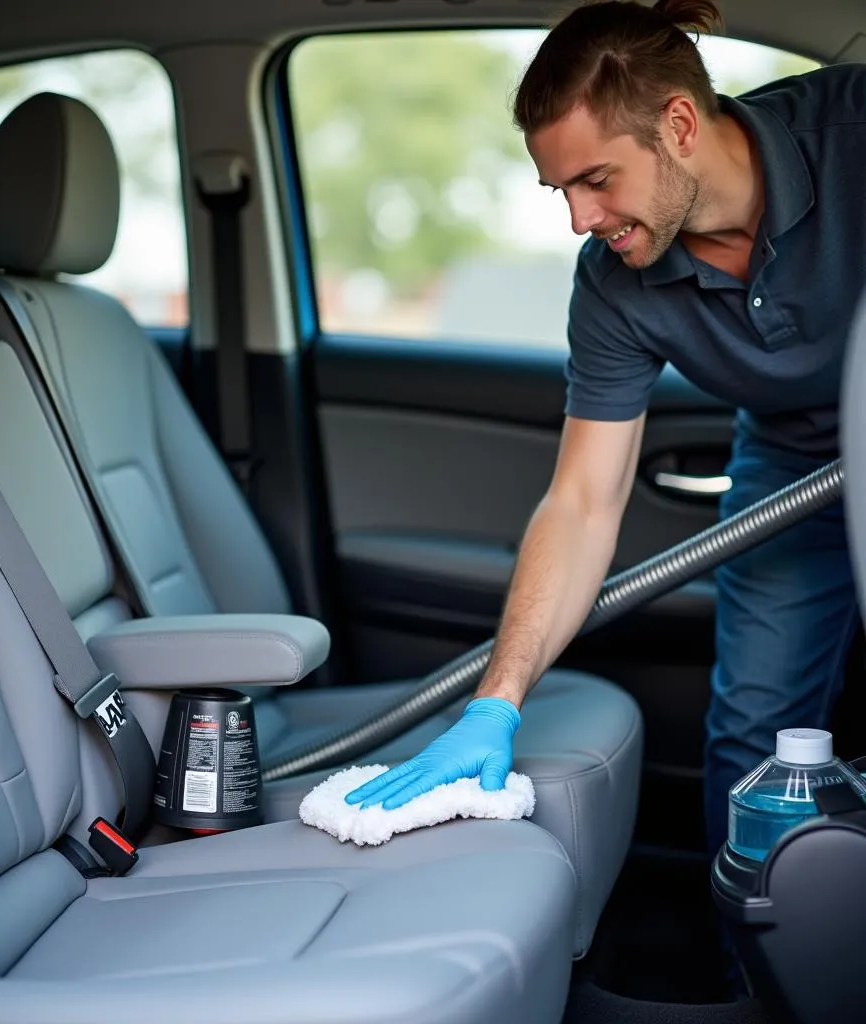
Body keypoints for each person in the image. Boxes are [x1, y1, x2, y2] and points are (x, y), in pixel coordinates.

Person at [345, 0, 866, 871]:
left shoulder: (853, 136)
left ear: (681, 124)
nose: (580, 220)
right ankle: (764, 982)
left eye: (597, 180)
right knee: (755, 736)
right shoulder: (616, 285)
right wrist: (497, 704)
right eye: (562, 191)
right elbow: (584, 501)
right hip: (794, 472)